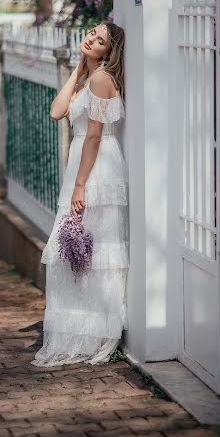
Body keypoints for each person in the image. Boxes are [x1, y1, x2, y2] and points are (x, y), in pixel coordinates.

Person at [30, 21, 129, 367]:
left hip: (96, 166)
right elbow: (57, 111)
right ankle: (80, 329)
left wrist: (81, 184)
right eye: (92, 34)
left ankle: (96, 331)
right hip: (83, 163)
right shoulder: (89, 76)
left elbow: (94, 136)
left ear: (108, 51)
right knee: (76, 249)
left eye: (100, 41)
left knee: (89, 248)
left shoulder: (102, 79)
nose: (92, 40)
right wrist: (77, 68)